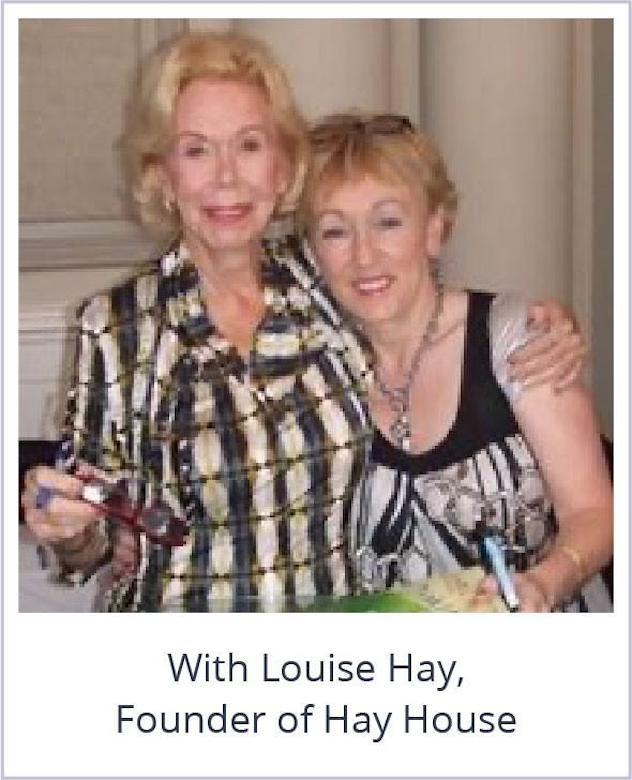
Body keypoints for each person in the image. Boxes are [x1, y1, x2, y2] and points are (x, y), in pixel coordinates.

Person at [21, 33, 585, 612]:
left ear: (282, 167)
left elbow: (425, 308)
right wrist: (71, 532)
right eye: (195, 150)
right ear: (163, 176)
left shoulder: (326, 285)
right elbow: (93, 539)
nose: (226, 177)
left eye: (249, 145)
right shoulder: (117, 328)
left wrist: (533, 324)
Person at [298, 112, 613, 611]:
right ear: (312, 250)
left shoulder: (514, 338)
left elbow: (595, 512)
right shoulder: (308, 367)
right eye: (336, 231)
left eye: (388, 222)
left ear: (434, 230)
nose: (364, 256)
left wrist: (545, 584)